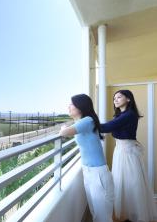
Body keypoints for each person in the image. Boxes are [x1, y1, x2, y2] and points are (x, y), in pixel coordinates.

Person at [100, 89, 157, 222]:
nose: (115, 99)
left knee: (132, 183)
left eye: (119, 97)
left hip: (127, 152)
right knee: (123, 182)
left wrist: (89, 121)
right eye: (114, 98)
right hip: (121, 151)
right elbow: (109, 127)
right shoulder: (121, 115)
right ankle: (129, 215)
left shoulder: (129, 114)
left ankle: (135, 215)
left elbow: (106, 127)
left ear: (128, 99)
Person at [59, 94, 114, 222]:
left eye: (71, 104)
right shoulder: (81, 122)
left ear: (80, 106)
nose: (69, 106)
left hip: (97, 173)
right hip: (88, 171)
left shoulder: (88, 120)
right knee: (96, 213)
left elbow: (65, 133)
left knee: (102, 216)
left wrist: (63, 128)